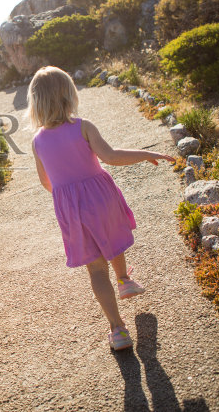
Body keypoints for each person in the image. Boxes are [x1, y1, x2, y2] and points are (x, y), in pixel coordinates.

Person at [27, 66, 174, 350]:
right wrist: (145, 153)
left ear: (36, 103)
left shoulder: (37, 142)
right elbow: (111, 156)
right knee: (113, 238)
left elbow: (46, 182)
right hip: (101, 197)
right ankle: (125, 279)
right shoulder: (83, 126)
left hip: (71, 208)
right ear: (69, 95)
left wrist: (66, 197)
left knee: (95, 269)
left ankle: (118, 330)